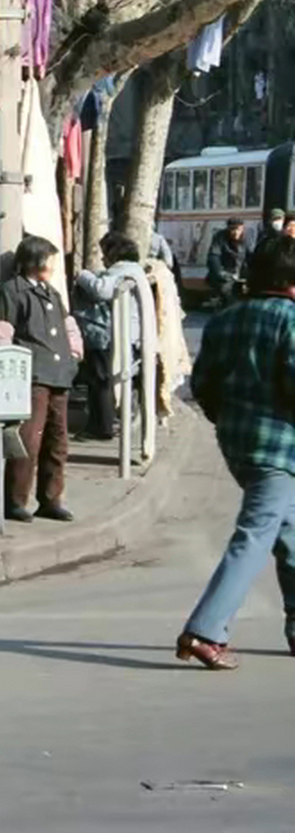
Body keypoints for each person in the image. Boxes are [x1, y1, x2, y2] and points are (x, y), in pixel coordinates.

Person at [175, 235, 295, 670]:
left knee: (289, 532)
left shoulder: (225, 319)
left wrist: (226, 420)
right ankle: (205, 630)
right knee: (256, 534)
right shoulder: (290, 320)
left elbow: (202, 384)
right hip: (281, 446)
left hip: (237, 442)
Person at [0, 235, 77, 524]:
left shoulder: (53, 294)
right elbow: (2, 333)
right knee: (29, 439)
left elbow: (68, 327)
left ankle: (51, 498)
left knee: (57, 440)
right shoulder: (12, 292)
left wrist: (73, 355)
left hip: (58, 373)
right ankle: (15, 498)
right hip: (32, 373)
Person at [72, 232, 141, 441]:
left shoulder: (122, 271)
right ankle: (108, 422)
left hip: (113, 335)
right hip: (128, 334)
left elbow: (102, 290)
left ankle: (101, 427)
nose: (103, 259)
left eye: (105, 254)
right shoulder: (134, 269)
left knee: (99, 380)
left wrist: (82, 275)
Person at [207, 218, 249, 308]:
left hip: (241, 274)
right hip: (225, 274)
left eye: (238, 229)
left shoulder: (247, 238)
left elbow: (250, 256)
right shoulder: (220, 237)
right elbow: (213, 256)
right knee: (227, 292)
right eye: (233, 229)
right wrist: (221, 273)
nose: (236, 232)